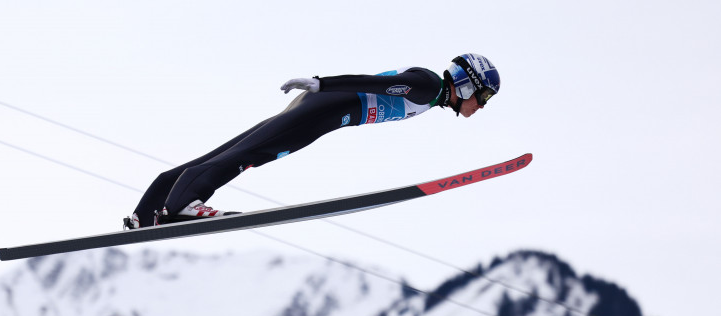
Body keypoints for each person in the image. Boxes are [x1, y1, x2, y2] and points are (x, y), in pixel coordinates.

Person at [124, 53, 501, 229]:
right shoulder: (429, 85)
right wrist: (324, 84)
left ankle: (150, 208)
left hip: (324, 109)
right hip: (326, 107)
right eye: (482, 97)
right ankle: (181, 206)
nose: (480, 107)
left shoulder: (431, 94)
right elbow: (374, 84)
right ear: (467, 83)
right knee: (249, 153)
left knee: (235, 149)